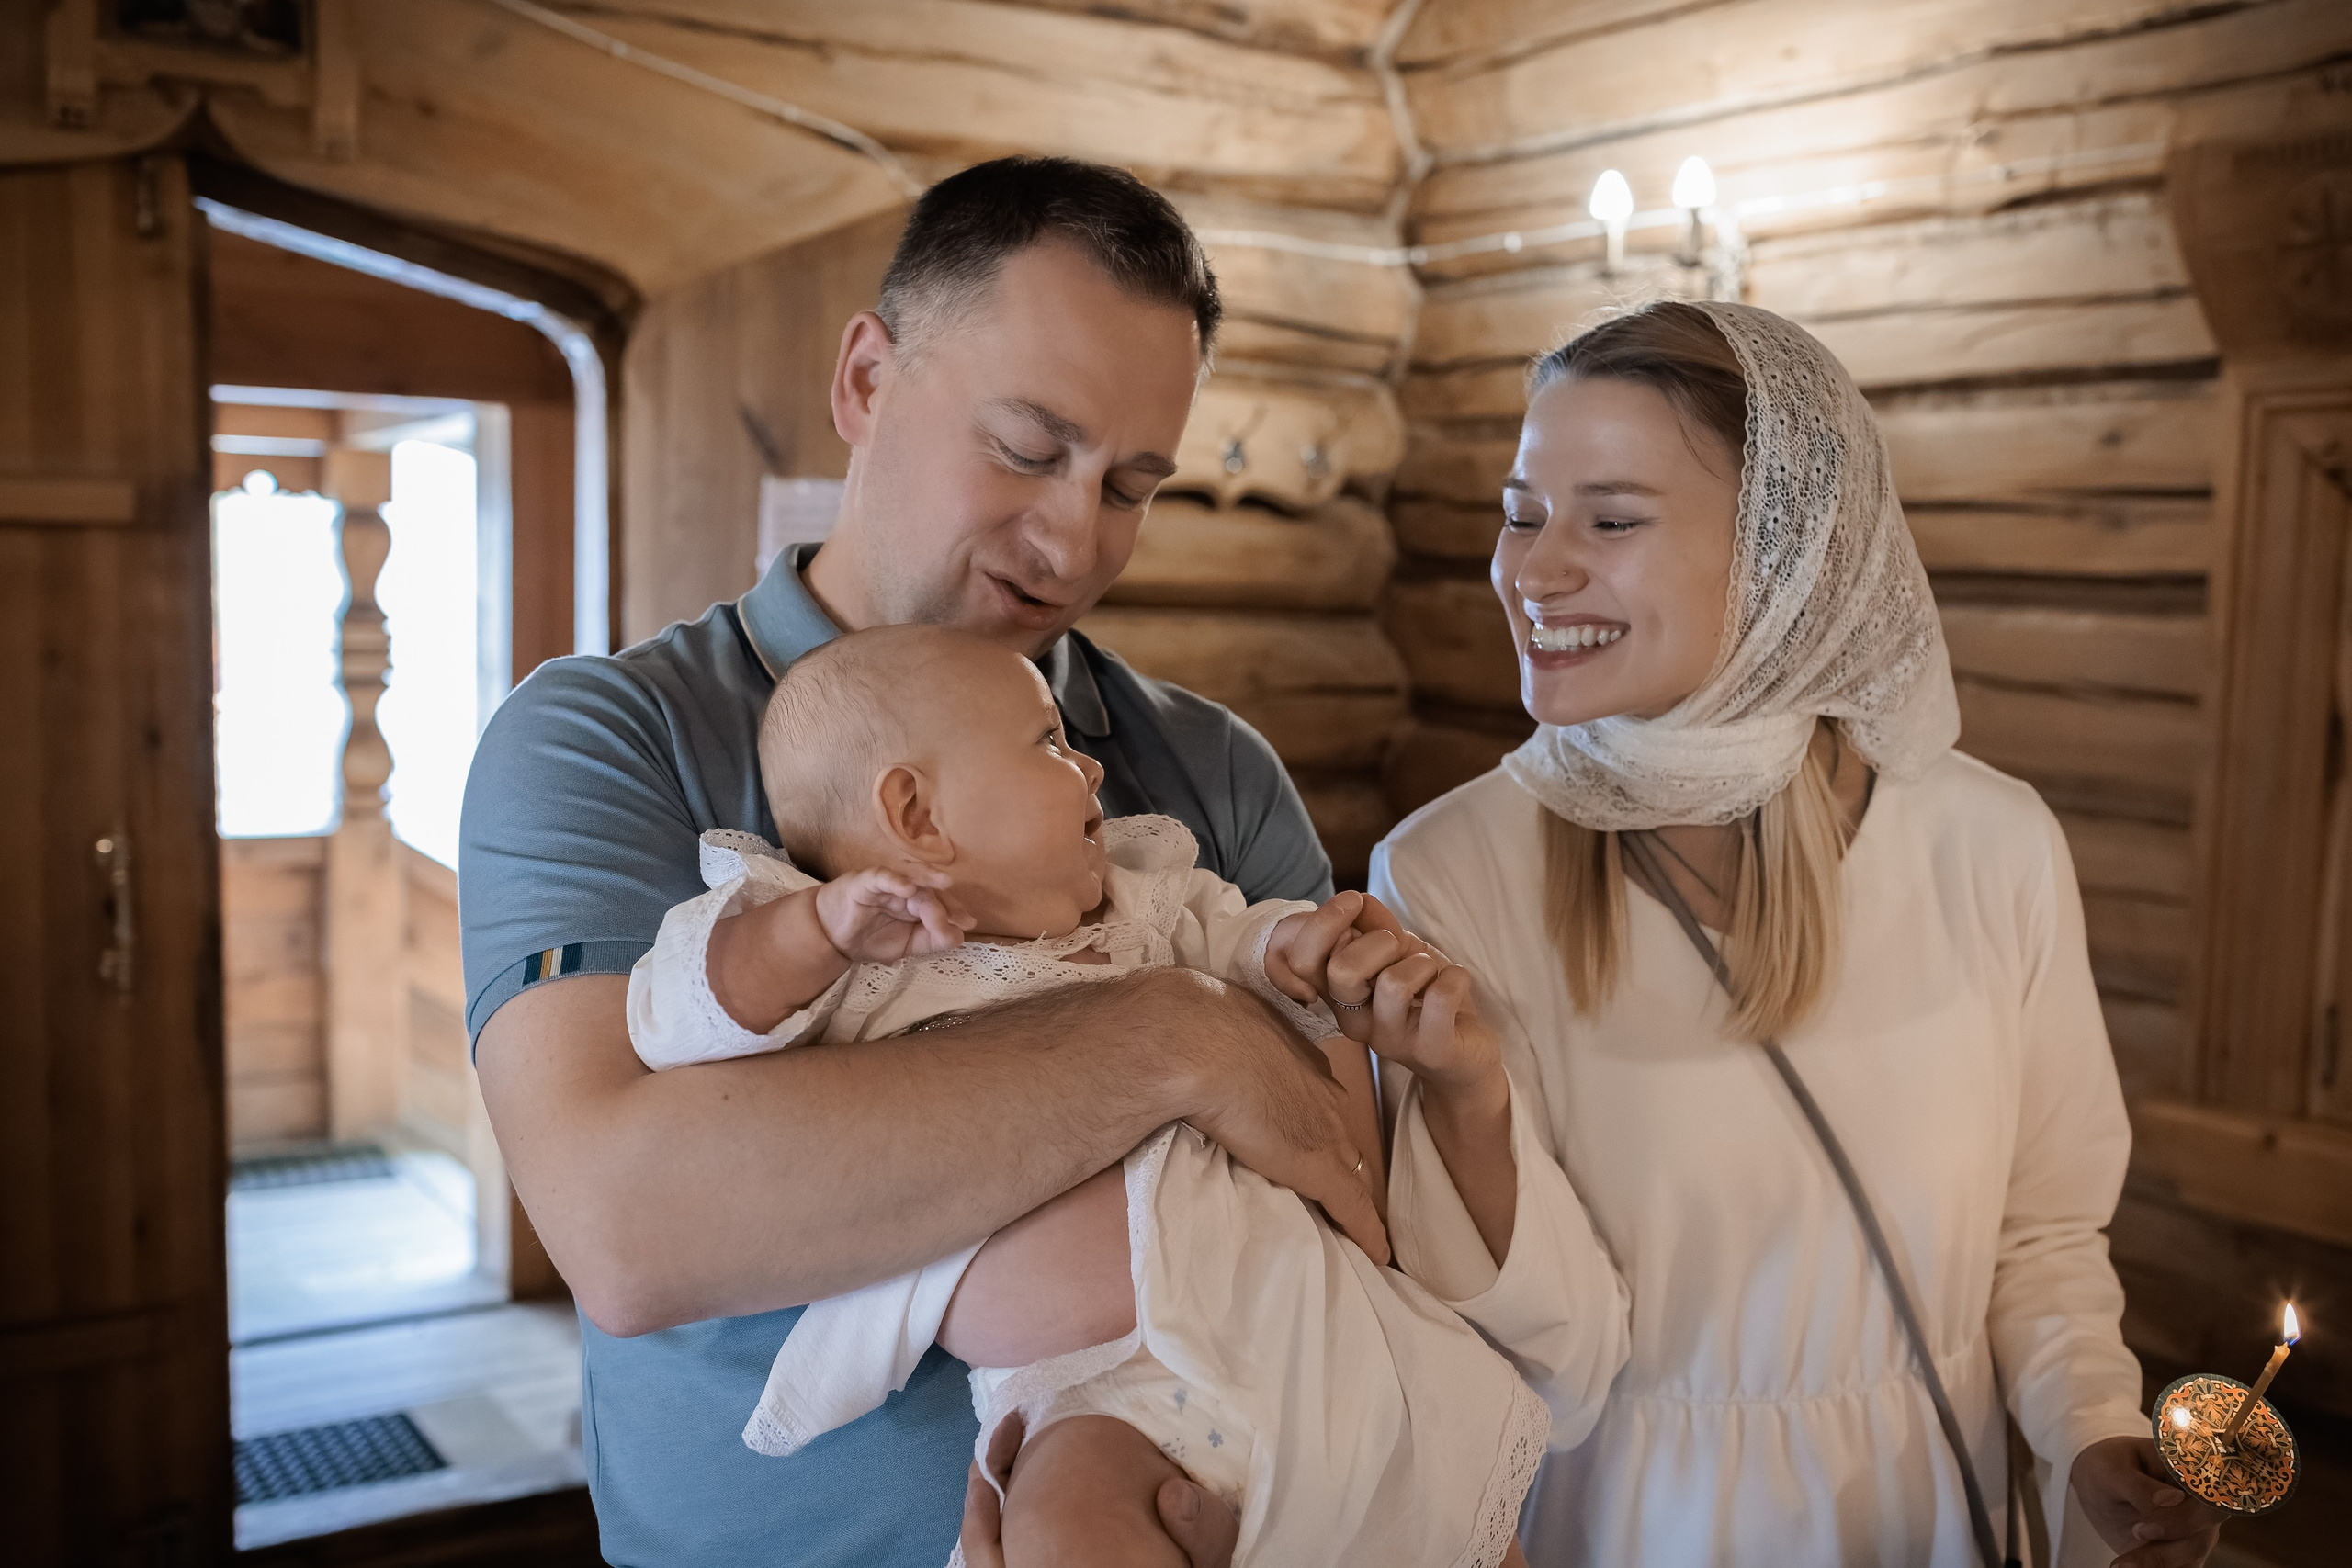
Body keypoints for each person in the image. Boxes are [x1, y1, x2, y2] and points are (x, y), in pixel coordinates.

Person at [459, 157, 1385, 1567]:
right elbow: (631, 1225)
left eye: (1131, 486)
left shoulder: (1212, 768)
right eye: (1026, 447)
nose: (1073, 538)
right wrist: (1176, 1034)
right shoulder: (607, 739)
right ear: (865, 381)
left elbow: (1349, 1157)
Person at [1368, 299, 2226, 1567]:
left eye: (1611, 520)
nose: (1531, 571)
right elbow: (1537, 1356)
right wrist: (1469, 1101)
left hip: (1936, 1514)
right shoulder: (1452, 871)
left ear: (1791, 550)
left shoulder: (1990, 843)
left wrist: (2091, 1428)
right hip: (1632, 1529)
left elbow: (2041, 1233)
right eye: (1522, 513)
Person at [624, 623, 1553, 1567]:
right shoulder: (860, 964)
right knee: (1071, 1531)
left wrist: (1296, 949)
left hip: (1299, 1338)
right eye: (1049, 741)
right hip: (1103, 1393)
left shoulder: (1142, 909)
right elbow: (676, 1020)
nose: (1093, 768)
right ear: (915, 814)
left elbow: (1241, 939)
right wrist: (810, 931)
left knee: (1454, 1514)